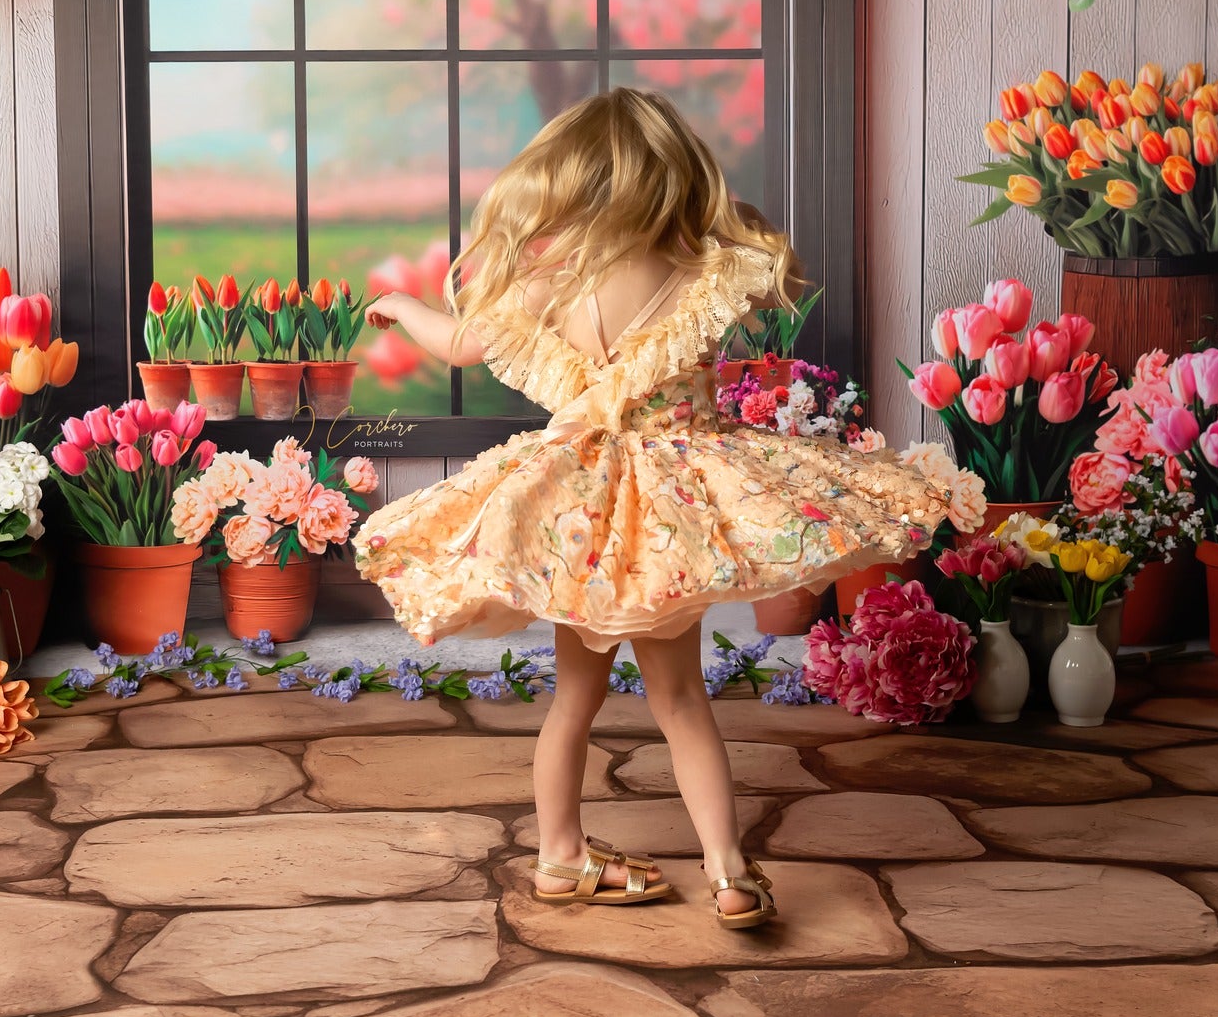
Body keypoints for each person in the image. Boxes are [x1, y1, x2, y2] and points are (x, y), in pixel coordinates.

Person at [356, 88, 979, 931]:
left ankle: (560, 854)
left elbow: (461, 342)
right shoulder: (704, 271)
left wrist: (404, 309)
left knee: (572, 700)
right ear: (671, 175)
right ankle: (728, 872)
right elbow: (766, 279)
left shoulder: (550, 278)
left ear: (570, 180)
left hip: (581, 519)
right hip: (672, 516)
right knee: (682, 700)